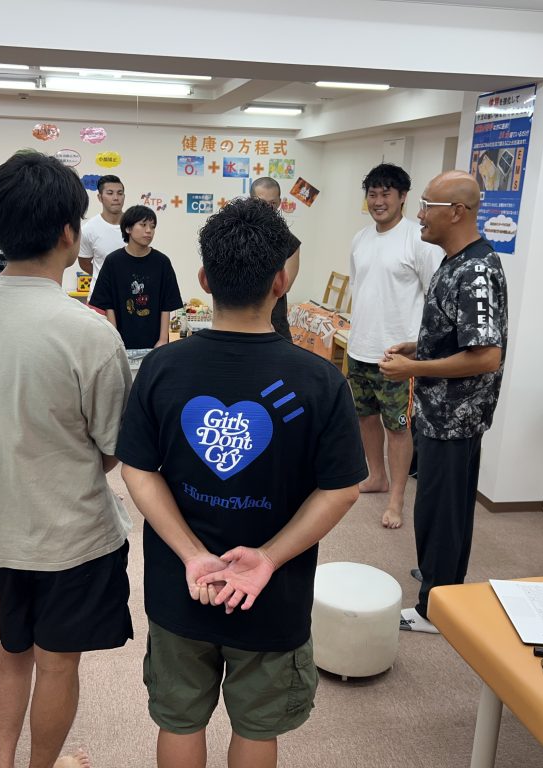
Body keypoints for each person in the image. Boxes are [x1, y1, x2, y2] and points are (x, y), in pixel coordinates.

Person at [117, 197, 366, 768]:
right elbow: (343, 488)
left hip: (182, 586)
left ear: (204, 280)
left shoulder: (162, 367)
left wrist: (192, 555)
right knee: (257, 727)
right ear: (281, 281)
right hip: (272, 593)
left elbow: (138, 469)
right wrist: (268, 558)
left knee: (179, 719)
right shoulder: (319, 381)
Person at [0, 152, 132, 768]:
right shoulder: (88, 332)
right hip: (65, 531)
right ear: (70, 234)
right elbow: (112, 449)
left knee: (13, 646)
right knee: (56, 662)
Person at [379, 171, 508, 634]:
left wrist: (414, 368)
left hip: (456, 417)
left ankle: (436, 607)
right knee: (438, 508)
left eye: (426, 205)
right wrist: (418, 348)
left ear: (456, 212)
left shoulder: (476, 271)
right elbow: (457, 334)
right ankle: (442, 579)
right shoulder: (454, 262)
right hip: (437, 412)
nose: (418, 214)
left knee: (443, 510)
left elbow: (486, 356)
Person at [347, 163, 443, 530]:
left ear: (403, 197)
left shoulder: (418, 240)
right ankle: (376, 476)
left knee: (398, 428)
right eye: (372, 194)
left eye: (386, 194)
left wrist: (419, 347)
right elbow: (360, 289)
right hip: (360, 347)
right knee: (365, 418)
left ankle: (397, 499)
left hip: (397, 356)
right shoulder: (360, 239)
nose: (378, 201)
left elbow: (436, 298)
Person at [88, 204, 183, 351]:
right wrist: (116, 339)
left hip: (154, 343)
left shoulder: (162, 262)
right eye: (143, 225)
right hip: (121, 342)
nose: (149, 230)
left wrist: (163, 340)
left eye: (152, 226)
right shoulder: (113, 261)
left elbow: (166, 304)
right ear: (128, 228)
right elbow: (108, 304)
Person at [249, 177, 301, 340]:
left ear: (279, 203)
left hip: (275, 323)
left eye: (272, 203)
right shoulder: (236, 235)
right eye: (261, 202)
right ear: (251, 201)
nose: (267, 208)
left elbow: (285, 286)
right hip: (238, 323)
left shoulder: (289, 241)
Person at [77, 174, 125, 298]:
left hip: (129, 296)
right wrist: (106, 277)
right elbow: (84, 262)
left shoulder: (135, 225)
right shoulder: (88, 229)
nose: (116, 198)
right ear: (100, 197)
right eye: (110, 193)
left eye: (120, 193)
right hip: (100, 297)